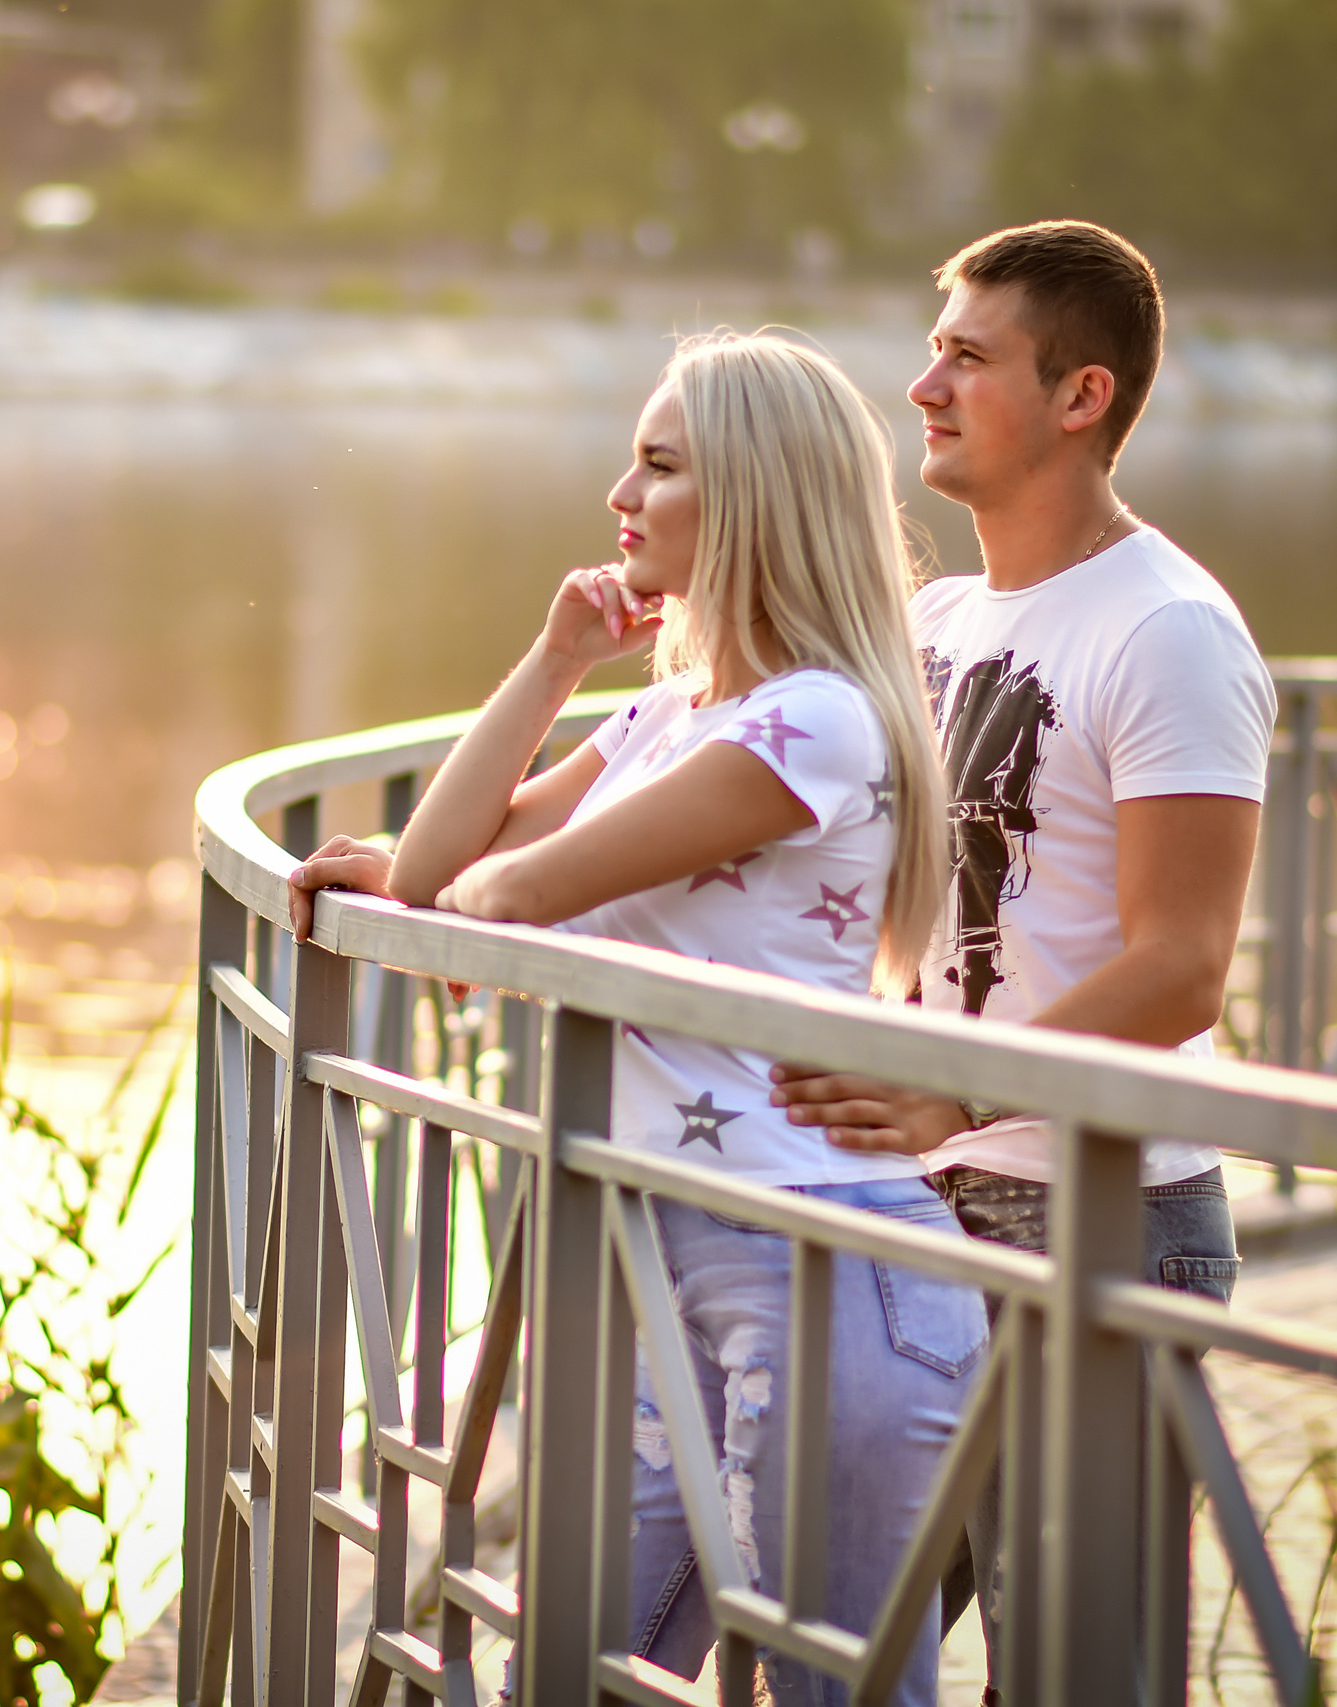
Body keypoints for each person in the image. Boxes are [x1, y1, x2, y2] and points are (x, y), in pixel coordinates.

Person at [288, 331, 982, 1705]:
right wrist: (556, 660)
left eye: (660, 466)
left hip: (827, 1279)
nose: (621, 490)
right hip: (667, 1263)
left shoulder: (816, 728)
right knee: (579, 1676)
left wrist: (467, 899)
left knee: (834, 1698)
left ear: (754, 504)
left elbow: (502, 899)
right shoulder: (673, 711)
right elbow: (433, 874)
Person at [765, 221, 1276, 1696]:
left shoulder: (1168, 631)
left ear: (1081, 395)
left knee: (1064, 1676)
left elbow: (1181, 966)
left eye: (968, 358)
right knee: (849, 1654)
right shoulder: (936, 619)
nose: (922, 385)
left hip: (1092, 1225)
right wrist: (453, 871)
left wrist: (948, 1093)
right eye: (934, 349)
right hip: (915, 1205)